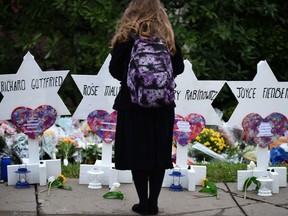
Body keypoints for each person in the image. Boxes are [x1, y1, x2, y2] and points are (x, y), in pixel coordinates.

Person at [109, 0, 184, 215]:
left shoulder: (127, 36)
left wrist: (135, 79)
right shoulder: (167, 36)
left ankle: (143, 203)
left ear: (132, 10)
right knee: (158, 154)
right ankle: (154, 203)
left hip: (132, 104)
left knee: (138, 154)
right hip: (163, 105)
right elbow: (178, 67)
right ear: (160, 12)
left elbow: (114, 70)